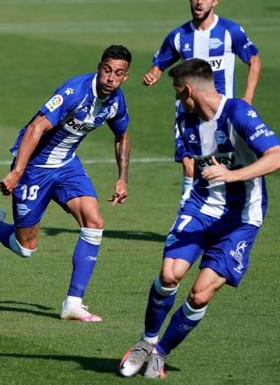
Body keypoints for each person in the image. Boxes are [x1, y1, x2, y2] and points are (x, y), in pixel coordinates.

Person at [119, 58, 280, 379]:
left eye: (179, 92)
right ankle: (146, 342)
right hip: (202, 208)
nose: (178, 99)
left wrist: (233, 175)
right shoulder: (186, 122)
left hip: (242, 219)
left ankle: (160, 354)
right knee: (169, 275)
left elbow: (276, 155)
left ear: (190, 89)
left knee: (200, 293)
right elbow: (193, 164)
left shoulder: (238, 113)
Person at [0, 45, 132, 322]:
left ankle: (73, 303)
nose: (110, 78)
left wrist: (122, 178)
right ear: (99, 67)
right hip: (34, 169)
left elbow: (122, 136)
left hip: (68, 166)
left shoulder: (116, 101)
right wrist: (17, 172)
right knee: (25, 249)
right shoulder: (75, 91)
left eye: (118, 74)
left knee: (94, 222)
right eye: (107, 71)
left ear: (125, 77)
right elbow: (36, 128)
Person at [142, 0, 261, 205]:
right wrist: (154, 74)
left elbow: (254, 60)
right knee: (190, 164)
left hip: (222, 112)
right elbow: (159, 63)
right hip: (187, 112)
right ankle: (187, 205)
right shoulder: (179, 35)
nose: (198, 2)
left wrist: (247, 98)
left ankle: (230, 210)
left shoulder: (230, 31)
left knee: (227, 163)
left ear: (215, 1)